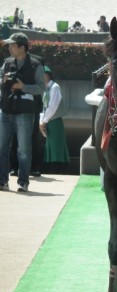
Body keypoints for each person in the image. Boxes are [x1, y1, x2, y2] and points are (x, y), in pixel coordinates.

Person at [0, 33, 45, 192]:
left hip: (25, 112)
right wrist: (3, 81)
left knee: (23, 150)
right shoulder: (6, 64)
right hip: (6, 109)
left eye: (12, 45)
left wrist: (23, 87)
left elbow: (41, 88)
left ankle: (23, 182)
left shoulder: (35, 64)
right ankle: (2, 181)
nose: (9, 47)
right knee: (2, 147)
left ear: (21, 47)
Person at [40, 66, 69, 174]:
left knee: (56, 146)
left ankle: (59, 170)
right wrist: (42, 120)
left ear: (48, 75)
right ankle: (53, 169)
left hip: (55, 121)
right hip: (49, 121)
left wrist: (44, 120)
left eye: (43, 74)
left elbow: (53, 106)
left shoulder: (54, 87)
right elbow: (45, 106)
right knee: (51, 146)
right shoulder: (47, 88)